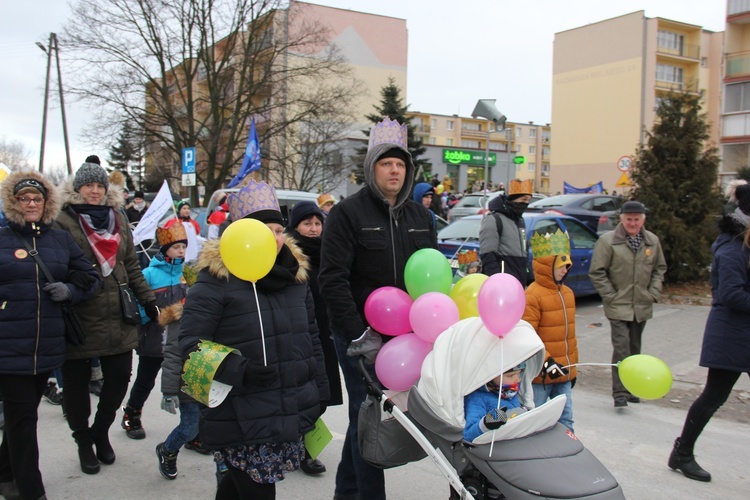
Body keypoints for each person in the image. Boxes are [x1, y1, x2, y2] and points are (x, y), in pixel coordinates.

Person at [179, 179, 329, 499]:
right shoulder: (217, 278)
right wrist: (238, 369)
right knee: (258, 492)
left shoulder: (294, 277)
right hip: (238, 411)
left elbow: (312, 338)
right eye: (266, 230)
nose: (275, 239)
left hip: (285, 406)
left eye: (278, 230)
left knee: (235, 491)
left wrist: (319, 390)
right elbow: (191, 343)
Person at [318, 117, 437, 500]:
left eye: (400, 164)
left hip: (407, 337)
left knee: (368, 419)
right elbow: (332, 280)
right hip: (358, 336)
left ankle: (346, 492)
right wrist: (356, 335)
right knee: (368, 415)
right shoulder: (347, 214)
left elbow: (432, 276)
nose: (394, 170)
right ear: (372, 168)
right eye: (386, 163)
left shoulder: (422, 217)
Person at [0, 169, 100, 500]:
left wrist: (70, 290)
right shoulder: (2, 238)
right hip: (9, 345)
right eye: (24, 198)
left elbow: (90, 276)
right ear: (13, 202)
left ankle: (3, 474)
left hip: (48, 346)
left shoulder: (58, 239)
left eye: (37, 198)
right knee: (23, 419)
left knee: (21, 417)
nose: (31, 204)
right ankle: (31, 490)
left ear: (47, 203)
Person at [54, 161, 158, 475]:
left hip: (117, 312)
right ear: (77, 188)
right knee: (75, 387)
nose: (95, 191)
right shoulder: (62, 220)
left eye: (100, 186)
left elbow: (131, 265)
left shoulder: (118, 218)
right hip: (78, 314)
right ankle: (83, 440)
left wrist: (148, 300)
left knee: (117, 380)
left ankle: (100, 431)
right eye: (89, 185)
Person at [668, 183, 750, 483]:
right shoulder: (732, 247)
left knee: (713, 396)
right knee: (713, 396)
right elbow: (730, 294)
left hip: (743, 333)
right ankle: (682, 453)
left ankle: (682, 452)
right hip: (730, 334)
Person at [589, 200, 667, 408]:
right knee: (621, 347)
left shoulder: (652, 241)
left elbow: (660, 269)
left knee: (635, 348)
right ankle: (620, 392)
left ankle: (633, 388)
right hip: (618, 304)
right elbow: (597, 272)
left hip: (641, 304)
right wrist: (610, 295)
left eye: (636, 220)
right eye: (629, 219)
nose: (633, 223)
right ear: (622, 220)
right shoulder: (608, 241)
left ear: (643, 220)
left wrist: (653, 292)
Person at [285, 201, 343, 476]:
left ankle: (302, 444)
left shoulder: (330, 254)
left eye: (318, 223)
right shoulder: (287, 257)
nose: (314, 228)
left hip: (325, 336)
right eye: (307, 223)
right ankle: (301, 449)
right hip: (297, 337)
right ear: (295, 226)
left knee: (322, 395)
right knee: (300, 395)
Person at [121, 223, 189, 440]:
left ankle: (191, 428)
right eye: (176, 247)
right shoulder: (148, 274)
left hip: (181, 339)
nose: (181, 251)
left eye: (183, 247)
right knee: (145, 380)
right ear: (164, 248)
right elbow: (138, 305)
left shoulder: (188, 273)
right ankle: (132, 413)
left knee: (187, 384)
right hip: (154, 337)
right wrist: (151, 314)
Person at [522, 230, 577, 432]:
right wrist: (546, 362)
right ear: (547, 265)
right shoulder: (533, 295)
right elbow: (527, 336)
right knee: (535, 420)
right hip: (541, 376)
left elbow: (569, 337)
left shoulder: (568, 294)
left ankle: (567, 458)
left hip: (564, 373)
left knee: (566, 421)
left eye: (567, 265)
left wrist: (572, 370)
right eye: (561, 265)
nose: (565, 270)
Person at [479, 178, 534, 285]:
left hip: (519, 283)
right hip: (502, 283)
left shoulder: (520, 221)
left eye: (528, 200)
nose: (526, 204)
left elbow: (524, 255)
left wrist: (530, 278)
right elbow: (488, 255)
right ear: (512, 199)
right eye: (523, 200)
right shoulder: (494, 220)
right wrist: (496, 281)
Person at [463, 365, 527, 442]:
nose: (517, 380)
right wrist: (486, 423)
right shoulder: (477, 398)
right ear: (490, 377)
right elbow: (468, 435)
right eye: (510, 376)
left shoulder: (509, 393)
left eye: (518, 374)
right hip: (497, 447)